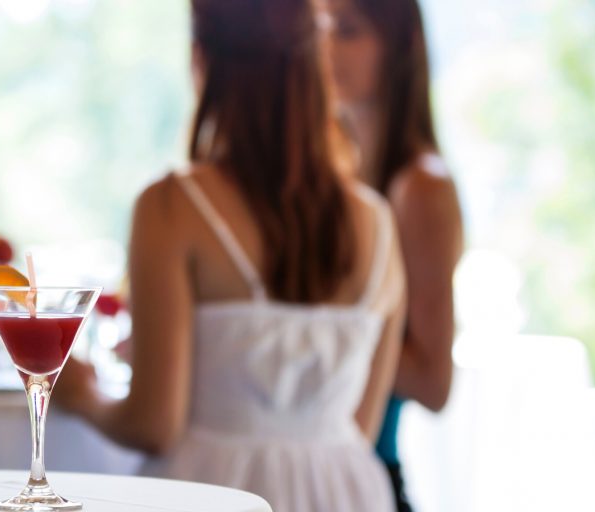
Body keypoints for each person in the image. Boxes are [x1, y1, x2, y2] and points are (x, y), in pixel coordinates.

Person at [55, 0, 405, 510]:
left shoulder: (174, 205)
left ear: (201, 59)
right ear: (315, 65)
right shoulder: (377, 221)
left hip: (211, 490)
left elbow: (153, 425)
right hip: (346, 491)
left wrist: (81, 395)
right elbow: (361, 423)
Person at [326, 0, 465, 510]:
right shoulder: (339, 177)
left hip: (367, 472)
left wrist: (315, 316)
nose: (326, 47)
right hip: (325, 464)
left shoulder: (420, 186)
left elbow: (433, 381)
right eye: (318, 28)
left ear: (400, 46)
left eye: (348, 30)